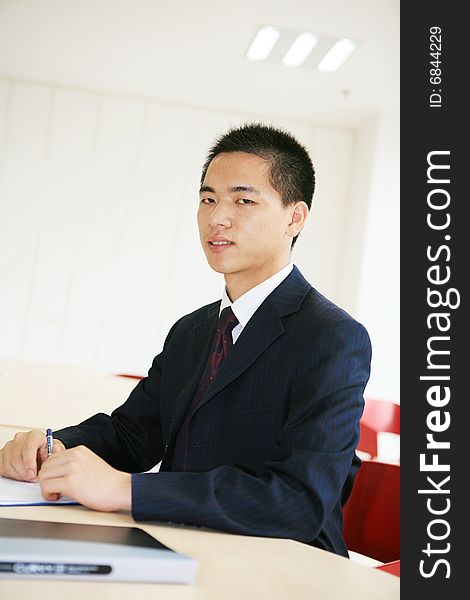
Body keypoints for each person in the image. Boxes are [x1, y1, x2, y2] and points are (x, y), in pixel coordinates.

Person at [0, 123, 371, 557]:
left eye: (243, 200)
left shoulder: (333, 336)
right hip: (180, 545)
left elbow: (299, 502)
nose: (216, 217)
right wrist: (52, 447)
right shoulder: (193, 330)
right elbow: (131, 435)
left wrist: (129, 491)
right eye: (208, 199)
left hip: (283, 566)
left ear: (295, 217)